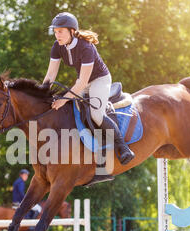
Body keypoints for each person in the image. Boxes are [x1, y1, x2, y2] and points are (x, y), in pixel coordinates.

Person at [43, 12, 135, 165]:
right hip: (83, 82)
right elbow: (51, 74)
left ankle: (123, 147)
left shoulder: (86, 47)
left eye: (60, 31)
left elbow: (82, 81)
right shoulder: (57, 46)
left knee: (96, 114)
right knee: (74, 109)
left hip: (99, 80)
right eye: (55, 31)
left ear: (72, 31)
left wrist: (63, 99)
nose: (57, 35)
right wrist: (41, 93)